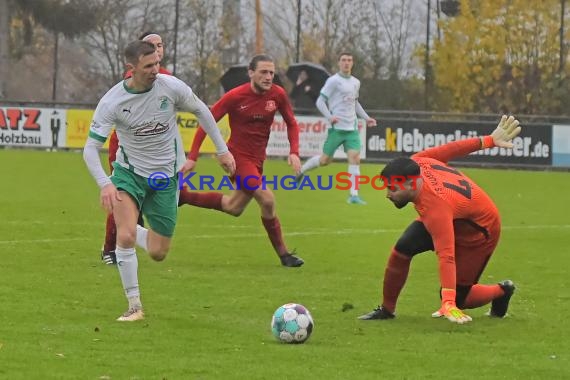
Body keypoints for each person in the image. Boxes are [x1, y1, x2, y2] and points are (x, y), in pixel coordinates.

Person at [83, 40, 235, 321]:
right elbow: (90, 149)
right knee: (125, 236)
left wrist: (222, 150)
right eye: (148, 65)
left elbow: (202, 110)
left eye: (156, 63)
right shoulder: (113, 102)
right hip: (129, 174)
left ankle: (132, 231)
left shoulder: (171, 87)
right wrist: (106, 183)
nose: (155, 70)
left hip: (165, 177)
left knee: (158, 252)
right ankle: (134, 306)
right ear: (131, 68)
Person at [358, 115, 521, 324]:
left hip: (480, 231)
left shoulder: (436, 207)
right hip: (456, 215)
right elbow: (451, 149)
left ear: (410, 184)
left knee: (460, 298)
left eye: (392, 188)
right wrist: (488, 140)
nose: (388, 194)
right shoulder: (416, 162)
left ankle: (502, 291)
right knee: (402, 250)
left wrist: (449, 302)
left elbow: (446, 255)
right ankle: (386, 310)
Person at [180, 54, 304, 268]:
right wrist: (192, 157)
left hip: (257, 161)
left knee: (233, 207)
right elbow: (206, 123)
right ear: (251, 73)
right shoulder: (235, 96)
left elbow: (291, 123)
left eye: (272, 73)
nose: (268, 77)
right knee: (267, 199)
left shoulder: (277, 94)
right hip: (237, 158)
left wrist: (294, 151)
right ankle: (284, 255)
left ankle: (183, 196)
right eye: (263, 72)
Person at [101, 31, 174, 265]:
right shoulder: (133, 80)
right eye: (153, 45)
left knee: (156, 246)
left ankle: (130, 238)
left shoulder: (167, 80)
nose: (158, 49)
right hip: (127, 150)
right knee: (122, 200)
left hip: (158, 158)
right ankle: (110, 247)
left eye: (160, 45)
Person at [295, 52, 377, 205]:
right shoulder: (333, 81)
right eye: (344, 60)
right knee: (325, 160)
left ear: (353, 63)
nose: (346, 63)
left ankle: (353, 196)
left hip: (352, 129)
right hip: (337, 128)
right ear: (339, 63)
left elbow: (355, 103)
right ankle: (302, 170)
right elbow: (320, 101)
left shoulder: (355, 82)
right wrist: (329, 116)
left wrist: (366, 118)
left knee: (355, 158)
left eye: (349, 60)